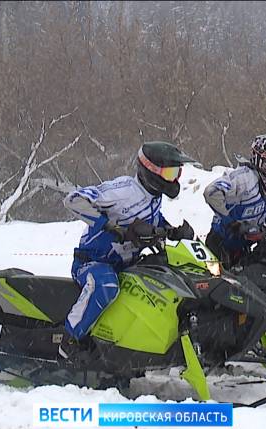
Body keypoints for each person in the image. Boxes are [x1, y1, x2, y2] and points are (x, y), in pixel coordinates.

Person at [61, 142, 196, 358]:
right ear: (150, 171)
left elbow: (149, 219)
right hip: (92, 263)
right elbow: (73, 200)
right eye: (169, 173)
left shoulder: (153, 197)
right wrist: (114, 228)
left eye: (176, 173)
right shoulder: (122, 190)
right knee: (106, 285)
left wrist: (171, 231)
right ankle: (69, 340)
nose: (174, 179)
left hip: (126, 264)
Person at [204, 134, 266, 268]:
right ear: (264, 157)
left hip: (244, 248)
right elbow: (211, 192)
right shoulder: (243, 178)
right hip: (220, 247)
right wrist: (232, 224)